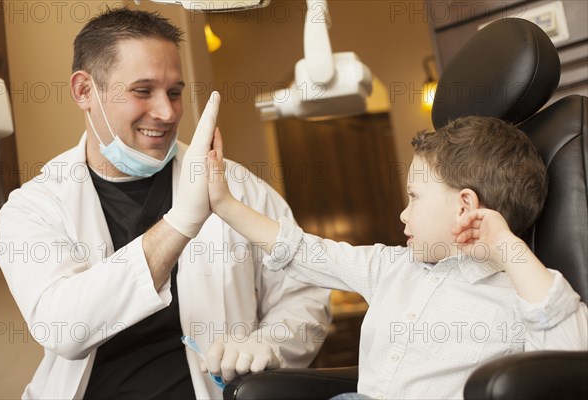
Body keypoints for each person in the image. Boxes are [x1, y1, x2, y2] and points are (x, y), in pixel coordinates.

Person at [0, 8, 330, 399]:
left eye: (174, 92)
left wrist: (270, 344)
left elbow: (305, 294)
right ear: (84, 91)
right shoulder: (34, 207)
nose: (167, 112)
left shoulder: (238, 187)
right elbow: (63, 329)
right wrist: (181, 223)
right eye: (143, 91)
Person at [204, 116, 588, 399]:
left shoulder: (518, 295)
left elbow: (572, 355)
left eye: (415, 197)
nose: (403, 214)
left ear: (464, 206)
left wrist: (507, 247)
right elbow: (303, 250)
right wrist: (224, 204)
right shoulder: (395, 266)